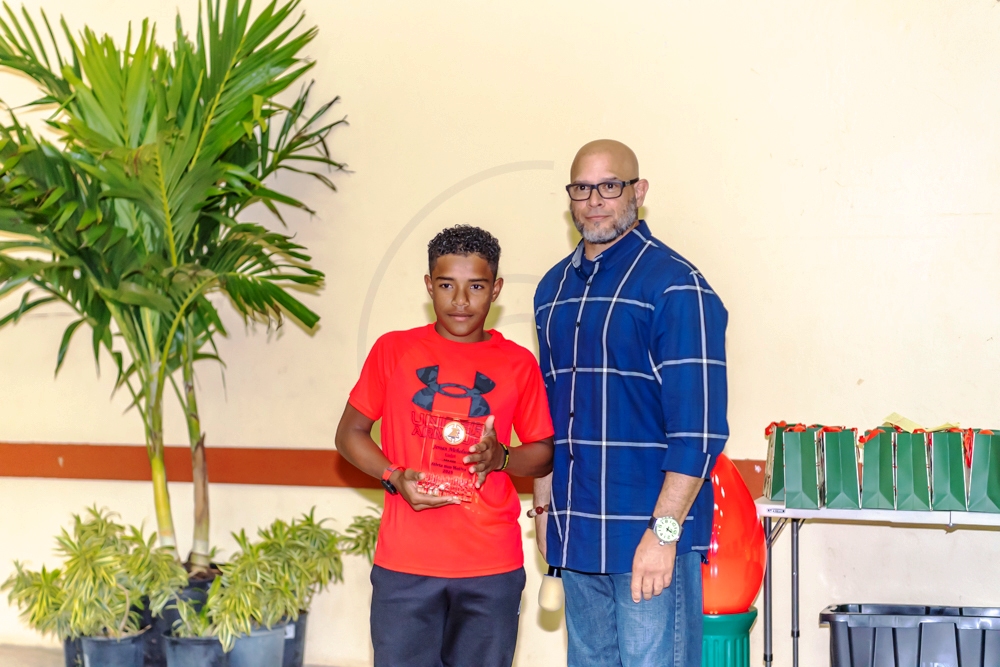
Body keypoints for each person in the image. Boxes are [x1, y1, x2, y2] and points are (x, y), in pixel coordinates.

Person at [532, 140, 729, 666]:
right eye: (582, 188)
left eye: (609, 185)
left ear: (638, 191)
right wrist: (544, 508)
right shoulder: (552, 289)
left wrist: (664, 535)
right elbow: (548, 414)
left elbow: (699, 433)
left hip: (647, 538)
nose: (594, 199)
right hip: (577, 536)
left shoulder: (677, 286)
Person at [336, 225, 555, 667]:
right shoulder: (393, 350)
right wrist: (394, 476)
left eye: (475, 286)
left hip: (490, 566)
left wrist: (501, 457)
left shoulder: (518, 363)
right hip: (405, 564)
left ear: (496, 289)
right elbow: (349, 434)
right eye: (446, 285)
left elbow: (544, 453)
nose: (460, 300)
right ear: (428, 285)